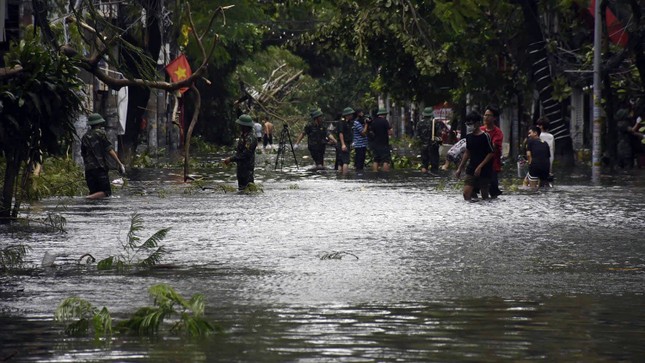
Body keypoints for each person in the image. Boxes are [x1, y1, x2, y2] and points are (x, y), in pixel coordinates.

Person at [81, 113, 126, 199]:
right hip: (100, 168)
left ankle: (90, 198)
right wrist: (120, 163)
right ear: (99, 123)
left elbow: (83, 154)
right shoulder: (100, 133)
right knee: (106, 193)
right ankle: (87, 198)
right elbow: (109, 149)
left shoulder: (85, 136)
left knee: (94, 192)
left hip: (89, 170)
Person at [455, 111, 494, 201]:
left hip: (485, 168)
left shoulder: (485, 136)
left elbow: (491, 153)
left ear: (477, 123)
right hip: (472, 167)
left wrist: (480, 166)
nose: (469, 126)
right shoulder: (469, 136)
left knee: (484, 195)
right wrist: (460, 168)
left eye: (470, 123)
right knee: (466, 194)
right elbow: (467, 152)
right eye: (467, 123)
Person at [223, 114, 258, 190]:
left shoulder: (251, 137)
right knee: (241, 190)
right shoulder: (243, 135)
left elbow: (245, 154)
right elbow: (240, 151)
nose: (239, 127)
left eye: (240, 125)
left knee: (248, 189)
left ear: (245, 126)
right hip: (241, 169)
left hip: (247, 169)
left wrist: (231, 159)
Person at [481, 105, 504, 198]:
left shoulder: (498, 132)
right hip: (478, 163)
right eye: (485, 115)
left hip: (492, 165)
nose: (486, 117)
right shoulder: (480, 130)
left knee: (493, 192)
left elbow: (493, 147)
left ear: (494, 118)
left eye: (489, 115)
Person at [416, 107, 446, 175]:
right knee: (434, 166)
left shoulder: (419, 123)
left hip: (423, 146)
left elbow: (417, 136)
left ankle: (424, 178)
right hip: (433, 146)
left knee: (424, 165)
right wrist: (440, 143)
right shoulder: (436, 122)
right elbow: (439, 135)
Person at [337, 107, 355, 174]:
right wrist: (343, 144)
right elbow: (340, 133)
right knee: (345, 161)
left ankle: (341, 175)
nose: (352, 116)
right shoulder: (342, 122)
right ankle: (345, 176)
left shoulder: (349, 122)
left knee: (341, 161)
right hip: (343, 143)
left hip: (346, 143)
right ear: (347, 115)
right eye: (351, 114)